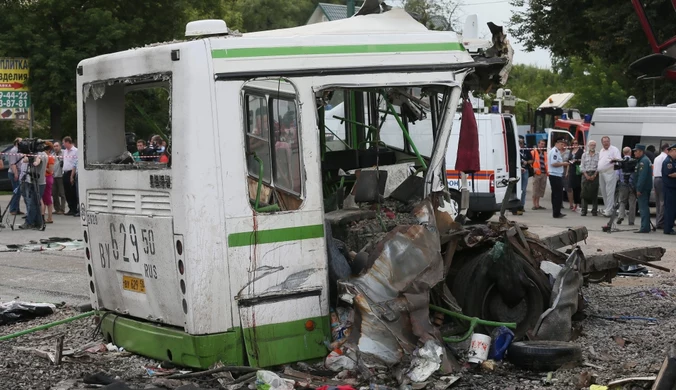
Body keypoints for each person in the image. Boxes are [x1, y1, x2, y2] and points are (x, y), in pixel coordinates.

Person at [598, 136, 621, 217]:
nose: (606, 143)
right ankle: (607, 208)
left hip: (610, 172)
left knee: (610, 192)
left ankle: (609, 210)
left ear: (609, 141)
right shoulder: (601, 150)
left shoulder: (614, 149)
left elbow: (618, 159)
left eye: (607, 141)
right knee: (603, 191)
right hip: (601, 173)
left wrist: (614, 159)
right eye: (604, 142)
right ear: (602, 143)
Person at [633, 144, 653, 233]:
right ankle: (645, 226)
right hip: (645, 188)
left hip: (643, 188)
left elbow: (642, 177)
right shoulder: (643, 160)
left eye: (636, 151)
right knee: (644, 207)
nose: (634, 153)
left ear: (641, 151)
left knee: (643, 208)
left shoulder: (643, 162)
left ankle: (644, 227)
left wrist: (639, 189)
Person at [548, 138, 570, 218]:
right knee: (558, 194)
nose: (562, 146)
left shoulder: (555, 151)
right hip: (555, 175)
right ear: (557, 143)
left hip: (556, 174)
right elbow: (553, 163)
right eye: (561, 144)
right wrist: (563, 163)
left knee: (555, 194)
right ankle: (556, 212)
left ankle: (556, 211)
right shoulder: (555, 151)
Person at [616, 147, 637, 226]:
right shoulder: (633, 162)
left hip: (623, 183)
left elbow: (617, 174)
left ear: (623, 153)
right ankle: (631, 220)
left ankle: (620, 216)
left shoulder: (620, 162)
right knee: (632, 202)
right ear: (630, 152)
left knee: (622, 201)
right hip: (632, 184)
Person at [514, 136, 533, 215]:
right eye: (519, 142)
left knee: (523, 189)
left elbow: (532, 160)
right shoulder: (515, 149)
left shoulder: (526, 150)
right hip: (517, 170)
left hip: (525, 171)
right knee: (516, 189)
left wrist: (527, 162)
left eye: (522, 142)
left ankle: (522, 205)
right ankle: (514, 206)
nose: (520, 144)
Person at [580, 140, 600, 216]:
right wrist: (586, 175)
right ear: (588, 146)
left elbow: (599, 166)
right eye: (591, 145)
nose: (593, 146)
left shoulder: (598, 154)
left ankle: (594, 211)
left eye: (594, 145)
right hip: (586, 174)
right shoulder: (584, 155)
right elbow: (582, 166)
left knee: (594, 193)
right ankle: (583, 210)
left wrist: (594, 175)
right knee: (584, 193)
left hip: (595, 173)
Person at [653, 143, 669, 230]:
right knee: (663, 202)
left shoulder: (657, 158)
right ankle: (660, 222)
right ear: (666, 149)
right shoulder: (665, 158)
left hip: (656, 179)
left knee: (658, 202)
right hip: (662, 179)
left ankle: (658, 220)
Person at [62, 136, 79, 216]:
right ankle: (70, 207)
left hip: (71, 172)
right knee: (67, 192)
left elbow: (75, 163)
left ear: (68, 142)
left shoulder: (75, 151)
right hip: (65, 172)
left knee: (72, 191)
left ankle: (74, 208)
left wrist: (72, 176)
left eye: (64, 143)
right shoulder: (65, 151)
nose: (63, 144)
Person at [662, 144, 676, 235]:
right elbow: (670, 174)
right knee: (669, 209)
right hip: (669, 189)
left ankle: (670, 227)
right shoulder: (668, 162)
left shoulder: (673, 161)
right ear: (672, 150)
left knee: (673, 209)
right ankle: (667, 229)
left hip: (673, 189)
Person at [7, 138, 23, 215]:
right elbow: (13, 163)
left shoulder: (20, 150)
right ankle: (13, 209)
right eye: (21, 142)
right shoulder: (14, 150)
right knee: (17, 191)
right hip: (14, 172)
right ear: (16, 143)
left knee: (19, 192)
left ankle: (17, 208)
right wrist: (16, 173)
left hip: (19, 172)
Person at [531, 139, 548, 210]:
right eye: (541, 144)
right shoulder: (533, 152)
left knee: (540, 189)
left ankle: (538, 204)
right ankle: (534, 204)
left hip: (544, 173)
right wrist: (533, 170)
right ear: (538, 144)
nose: (542, 145)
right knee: (535, 189)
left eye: (543, 144)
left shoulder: (545, 153)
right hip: (537, 173)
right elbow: (531, 162)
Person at [566, 139, 583, 211]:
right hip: (571, 171)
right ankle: (574, 204)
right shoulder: (571, 151)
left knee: (578, 188)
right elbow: (568, 162)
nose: (574, 145)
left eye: (576, 143)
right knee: (572, 187)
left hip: (578, 170)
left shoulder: (581, 151)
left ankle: (578, 204)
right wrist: (567, 172)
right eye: (573, 143)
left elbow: (583, 160)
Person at [51, 142, 67, 215]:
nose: (55, 148)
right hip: (54, 175)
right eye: (54, 146)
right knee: (54, 193)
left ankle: (62, 208)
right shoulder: (52, 155)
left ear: (60, 146)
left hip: (61, 175)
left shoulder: (64, 153)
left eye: (57, 146)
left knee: (62, 193)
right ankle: (57, 208)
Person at [42, 142, 55, 224]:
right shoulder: (45, 156)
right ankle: (47, 216)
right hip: (44, 178)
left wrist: (43, 167)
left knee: (48, 199)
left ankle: (50, 217)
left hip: (47, 178)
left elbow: (50, 170)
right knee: (44, 198)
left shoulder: (50, 157)